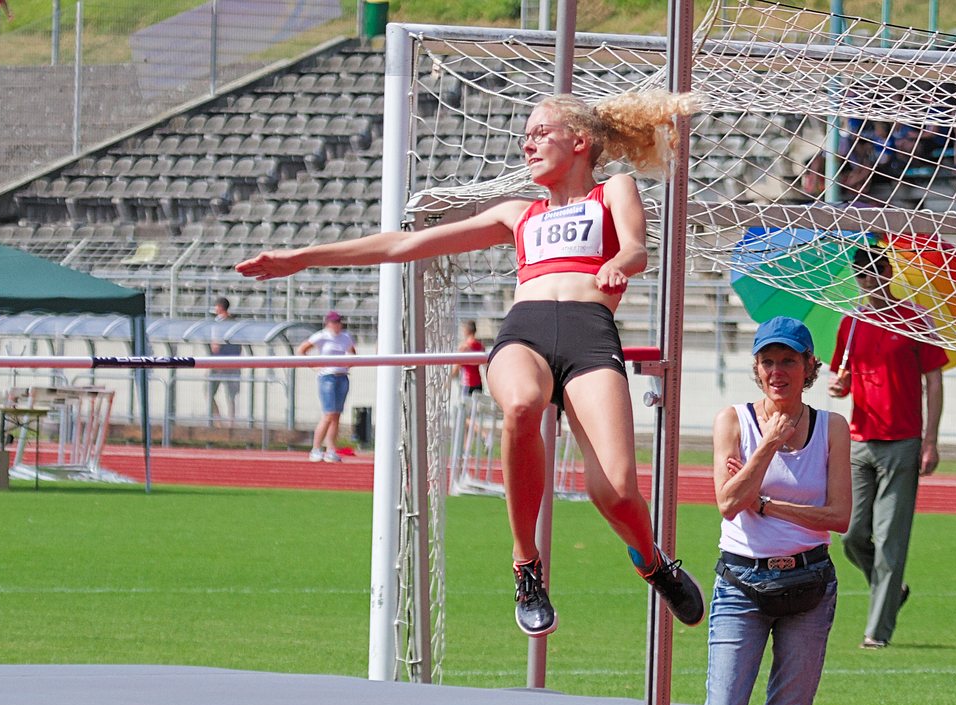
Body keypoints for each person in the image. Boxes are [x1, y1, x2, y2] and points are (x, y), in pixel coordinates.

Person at [237, 91, 705, 637]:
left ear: (579, 142)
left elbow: (637, 248)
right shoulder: (517, 213)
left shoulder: (613, 190)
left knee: (618, 493)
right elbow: (404, 246)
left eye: (540, 133)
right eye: (525, 136)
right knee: (522, 405)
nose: (528, 144)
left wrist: (620, 262)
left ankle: (651, 561)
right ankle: (526, 564)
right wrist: (301, 258)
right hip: (525, 332)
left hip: (590, 334)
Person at [706, 317, 851, 705]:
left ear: (809, 366)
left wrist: (766, 505)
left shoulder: (832, 427)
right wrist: (768, 443)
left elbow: (839, 517)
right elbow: (729, 503)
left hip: (809, 582)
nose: (777, 371)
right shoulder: (733, 420)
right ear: (756, 368)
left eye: (788, 361)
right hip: (742, 582)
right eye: (767, 361)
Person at [827, 248, 947, 650]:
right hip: (860, 441)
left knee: (890, 539)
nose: (866, 280)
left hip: (902, 442)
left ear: (887, 272)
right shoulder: (851, 324)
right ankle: (892, 591)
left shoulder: (916, 320)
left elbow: (934, 381)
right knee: (851, 535)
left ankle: (877, 632)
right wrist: (839, 386)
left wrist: (930, 440)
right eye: (860, 274)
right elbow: (843, 379)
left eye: (872, 271)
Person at [298, 311, 356, 463]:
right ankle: (316, 448)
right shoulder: (321, 336)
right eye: (334, 322)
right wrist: (314, 366)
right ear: (328, 323)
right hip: (327, 377)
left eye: (339, 322)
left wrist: (347, 364)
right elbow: (302, 350)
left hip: (342, 377)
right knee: (328, 414)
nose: (337, 324)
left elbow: (353, 354)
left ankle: (331, 450)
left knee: (336, 416)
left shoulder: (346, 336)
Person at [207, 298, 242, 426]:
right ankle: (231, 422)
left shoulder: (218, 324)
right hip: (233, 363)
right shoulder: (235, 324)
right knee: (231, 395)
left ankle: (219, 422)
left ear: (220, 307)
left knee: (210, 392)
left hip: (219, 363)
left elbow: (215, 346)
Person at [458, 319, 484, 396]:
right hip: (478, 382)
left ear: (467, 330)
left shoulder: (464, 347)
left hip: (467, 383)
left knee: (465, 403)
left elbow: (457, 366)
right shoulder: (480, 346)